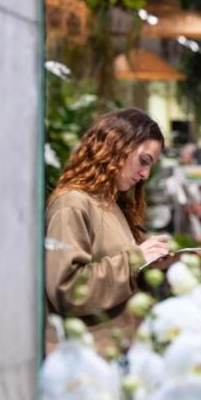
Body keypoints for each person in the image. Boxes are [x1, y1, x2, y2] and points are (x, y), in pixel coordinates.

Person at [45, 108, 171, 354]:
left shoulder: (112, 203)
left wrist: (151, 264)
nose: (145, 175)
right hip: (86, 364)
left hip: (114, 354)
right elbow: (68, 290)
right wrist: (135, 260)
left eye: (150, 166)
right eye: (143, 161)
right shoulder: (71, 203)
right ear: (116, 147)